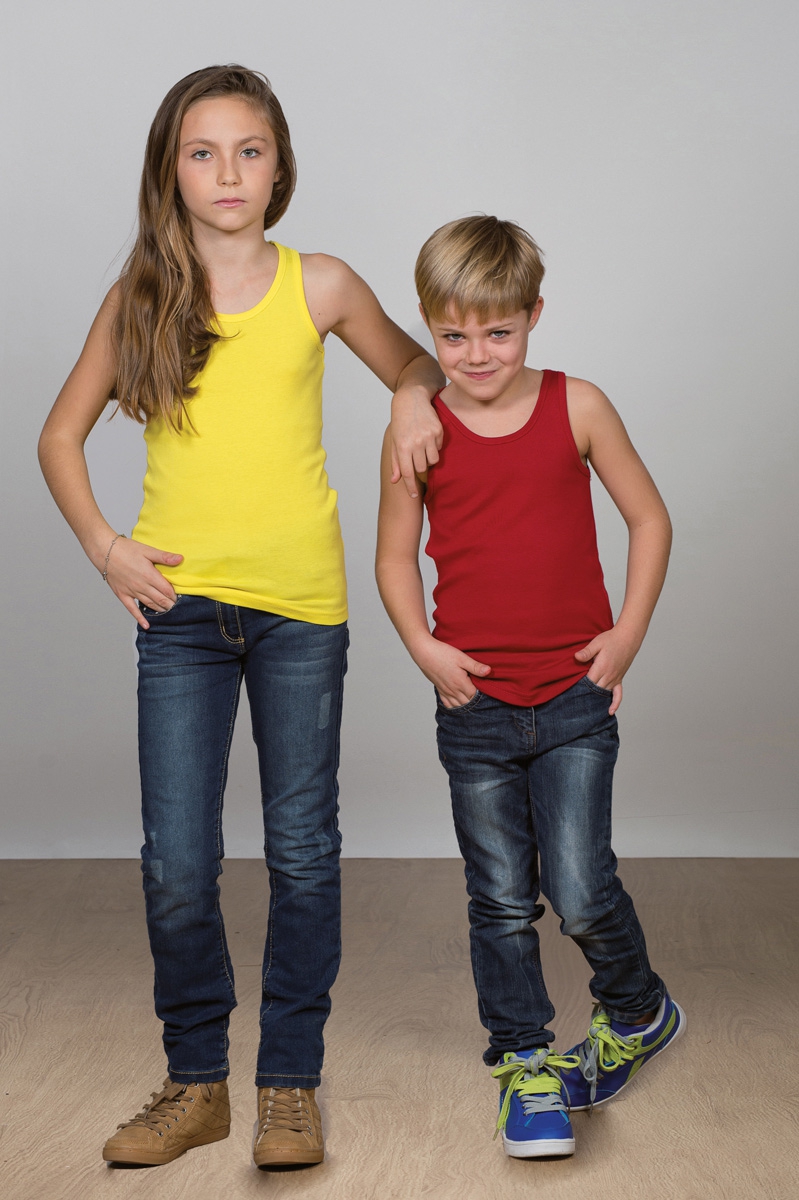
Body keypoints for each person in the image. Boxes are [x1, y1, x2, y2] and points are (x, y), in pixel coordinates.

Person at [38, 64, 443, 1170]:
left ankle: (289, 1087)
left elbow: (416, 363)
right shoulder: (141, 297)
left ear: (279, 166)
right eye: (203, 152)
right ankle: (196, 1083)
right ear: (170, 170)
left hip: (301, 613)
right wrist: (106, 546)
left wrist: (412, 391)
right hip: (180, 618)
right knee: (177, 862)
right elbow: (58, 436)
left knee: (303, 854)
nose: (228, 172)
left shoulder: (322, 284)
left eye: (248, 150)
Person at [376, 215, 685, 1159]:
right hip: (474, 708)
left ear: (534, 316)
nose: (476, 354)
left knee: (581, 890)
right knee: (502, 898)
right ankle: (523, 1060)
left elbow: (648, 518)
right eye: (452, 335)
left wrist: (626, 635)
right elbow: (393, 559)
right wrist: (423, 647)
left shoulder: (577, 404)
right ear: (429, 326)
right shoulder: (418, 429)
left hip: (573, 701)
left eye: (498, 332)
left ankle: (636, 1009)